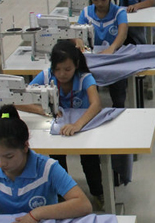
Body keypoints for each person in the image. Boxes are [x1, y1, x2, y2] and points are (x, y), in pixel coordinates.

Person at [25, 40, 104, 203]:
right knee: (56, 162)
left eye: (67, 69)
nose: (62, 74)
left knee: (90, 160)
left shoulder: (84, 78)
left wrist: (77, 125)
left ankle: (98, 193)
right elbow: (20, 100)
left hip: (83, 126)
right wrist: (42, 110)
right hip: (59, 128)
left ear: (76, 65)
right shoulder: (46, 76)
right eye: (57, 69)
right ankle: (62, 197)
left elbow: (96, 104)